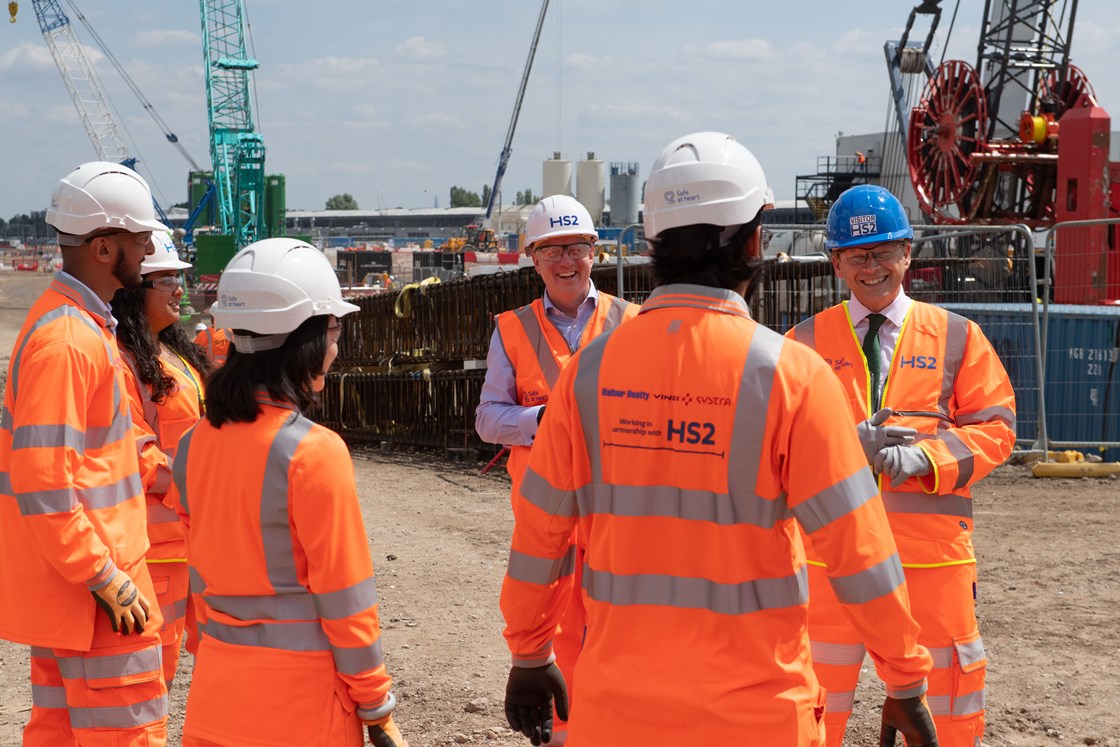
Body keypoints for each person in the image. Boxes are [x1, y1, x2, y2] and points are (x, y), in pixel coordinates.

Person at [498, 132, 939, 746]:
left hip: (617, 713)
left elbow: (538, 533)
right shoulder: (793, 376)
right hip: (756, 717)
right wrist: (905, 679)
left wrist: (528, 651)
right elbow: (858, 551)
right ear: (754, 239)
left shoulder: (587, 374)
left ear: (653, 242)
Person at [786, 184, 1016, 747]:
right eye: (858, 255)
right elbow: (777, 449)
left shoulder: (959, 337)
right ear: (836, 261)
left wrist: (927, 458)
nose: (873, 267)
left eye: (885, 250)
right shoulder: (802, 345)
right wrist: (845, 449)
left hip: (930, 559)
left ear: (909, 252)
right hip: (829, 560)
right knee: (811, 703)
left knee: (948, 708)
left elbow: (997, 428)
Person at [170, 238, 407, 747]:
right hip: (301, 709)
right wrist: (376, 704)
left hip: (216, 698)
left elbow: (198, 580)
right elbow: (346, 600)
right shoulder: (313, 452)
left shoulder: (193, 445)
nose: (336, 347)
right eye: (334, 331)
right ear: (307, 339)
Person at [0, 161, 169, 744]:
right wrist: (103, 576)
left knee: (62, 734)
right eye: (138, 236)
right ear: (102, 247)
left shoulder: (77, 328)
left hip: (77, 595)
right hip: (98, 596)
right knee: (126, 734)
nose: (150, 246)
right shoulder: (70, 339)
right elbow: (42, 481)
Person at [476, 194, 639, 746]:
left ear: (594, 251)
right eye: (551, 251)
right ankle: (567, 736)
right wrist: (546, 418)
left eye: (575, 247)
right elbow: (488, 420)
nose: (565, 261)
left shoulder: (631, 322)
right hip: (547, 520)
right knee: (558, 634)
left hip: (621, 515)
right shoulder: (512, 329)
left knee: (625, 634)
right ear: (533, 259)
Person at [112, 231, 210, 686]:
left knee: (219, 655)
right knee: (156, 671)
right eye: (166, 279)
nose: (179, 289)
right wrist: (200, 484)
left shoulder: (174, 354)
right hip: (159, 548)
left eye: (180, 278)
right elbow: (134, 451)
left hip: (197, 537)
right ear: (135, 293)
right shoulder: (124, 361)